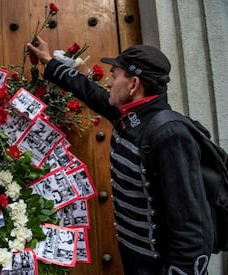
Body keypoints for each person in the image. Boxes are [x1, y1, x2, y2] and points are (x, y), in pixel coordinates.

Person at [27, 37, 213, 274]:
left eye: (114, 76)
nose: (109, 83)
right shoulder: (132, 114)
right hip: (134, 258)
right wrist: (50, 62)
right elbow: (89, 92)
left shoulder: (169, 135)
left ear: (133, 85)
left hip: (160, 267)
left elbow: (191, 226)